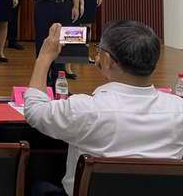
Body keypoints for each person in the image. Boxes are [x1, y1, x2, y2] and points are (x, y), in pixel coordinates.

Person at [25, 21, 183, 196]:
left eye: (99, 50)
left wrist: (44, 58)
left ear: (107, 60)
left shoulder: (85, 109)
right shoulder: (179, 110)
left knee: (37, 185)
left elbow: (35, 110)